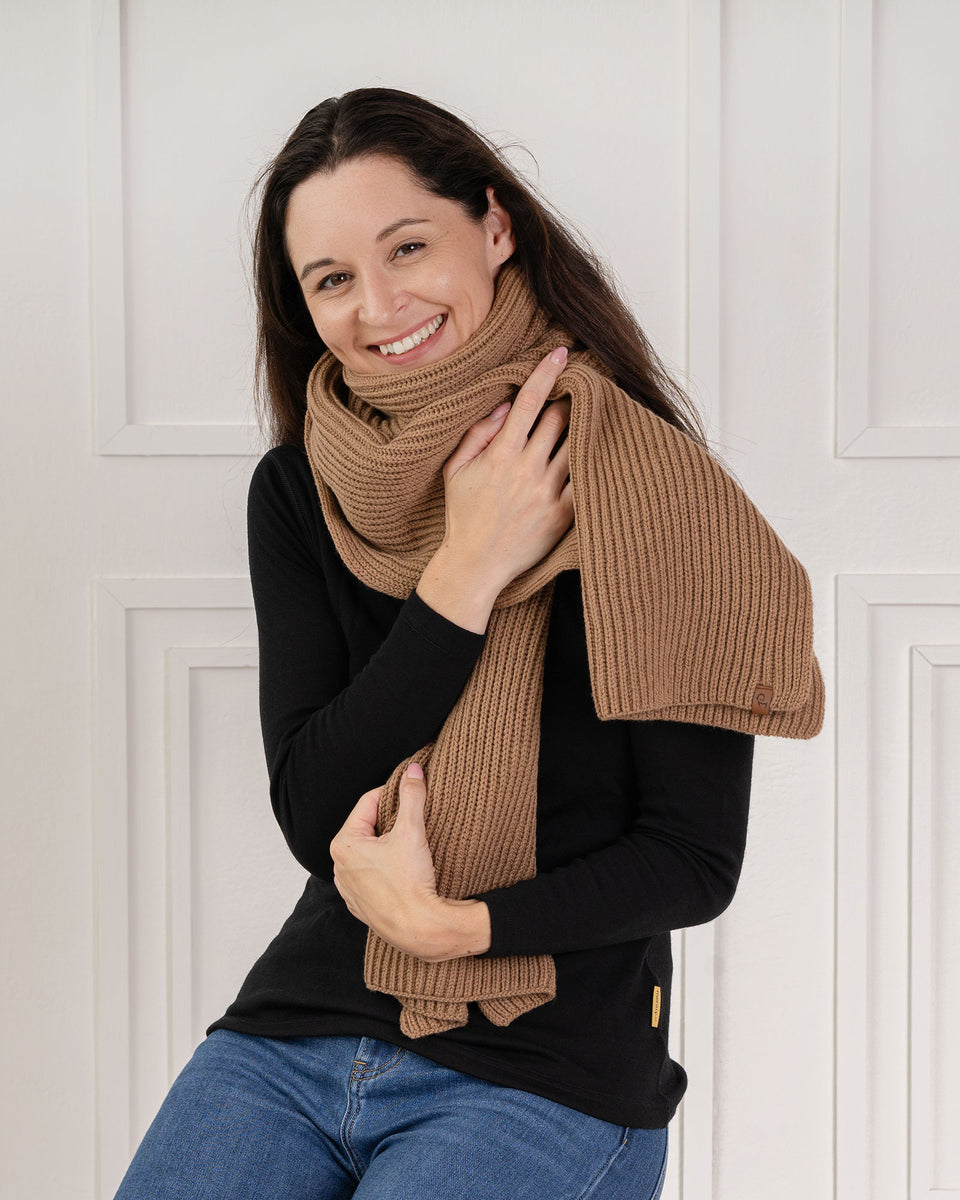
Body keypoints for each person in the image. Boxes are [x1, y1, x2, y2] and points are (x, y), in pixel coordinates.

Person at [113, 87, 822, 1200]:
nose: (379, 304)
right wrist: (464, 576)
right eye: (332, 278)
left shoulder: (651, 489)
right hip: (294, 1033)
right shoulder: (303, 490)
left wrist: (462, 929)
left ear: (494, 226)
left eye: (408, 247)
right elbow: (314, 811)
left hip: (547, 1071)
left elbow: (692, 857)